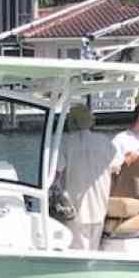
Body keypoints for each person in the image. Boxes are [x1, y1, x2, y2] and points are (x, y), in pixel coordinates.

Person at [58, 103, 115, 251]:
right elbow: (117, 166)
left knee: (76, 247)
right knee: (93, 247)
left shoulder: (65, 143)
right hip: (100, 204)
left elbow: (57, 172)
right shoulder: (104, 141)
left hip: (74, 206)